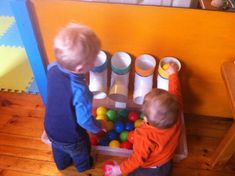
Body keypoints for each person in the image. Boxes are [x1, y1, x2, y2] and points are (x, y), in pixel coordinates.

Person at [43, 22, 103, 172]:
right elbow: (84, 120)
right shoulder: (80, 90)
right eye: (93, 60)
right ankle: (84, 167)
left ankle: (62, 165)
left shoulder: (52, 67)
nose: (94, 62)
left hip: (51, 128)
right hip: (72, 136)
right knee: (81, 152)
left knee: (59, 149)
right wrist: (98, 127)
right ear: (80, 68)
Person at [105, 63, 183, 176]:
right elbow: (176, 91)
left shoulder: (145, 135)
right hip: (166, 159)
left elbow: (137, 159)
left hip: (150, 169)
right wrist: (173, 74)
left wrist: (119, 169)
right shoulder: (176, 109)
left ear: (145, 118)